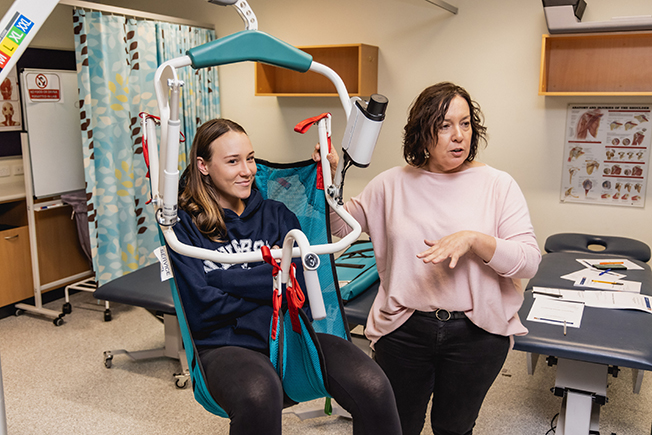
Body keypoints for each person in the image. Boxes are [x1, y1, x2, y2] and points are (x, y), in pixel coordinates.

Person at [314, 82, 541, 435]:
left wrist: (474, 240)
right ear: (423, 132)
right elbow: (340, 226)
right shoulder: (391, 184)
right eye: (445, 125)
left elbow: (528, 261)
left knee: (454, 427)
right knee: (397, 426)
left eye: (465, 124)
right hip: (405, 329)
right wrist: (327, 181)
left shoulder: (498, 185)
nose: (458, 136)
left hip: (476, 333)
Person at [167, 118, 402, 435]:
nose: (247, 170)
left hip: (292, 340)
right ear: (203, 166)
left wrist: (224, 279)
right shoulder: (183, 227)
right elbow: (202, 308)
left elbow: (300, 293)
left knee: (373, 384)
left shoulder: (277, 216)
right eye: (233, 161)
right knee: (259, 391)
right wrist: (271, 282)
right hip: (223, 347)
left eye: (250, 158)